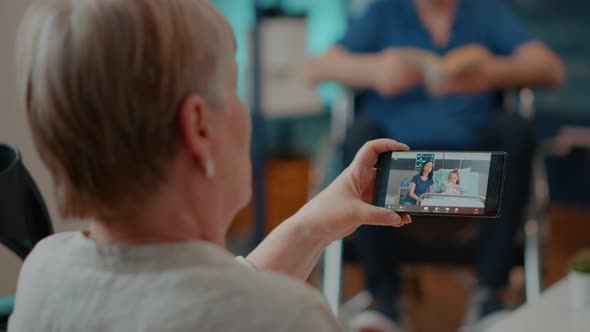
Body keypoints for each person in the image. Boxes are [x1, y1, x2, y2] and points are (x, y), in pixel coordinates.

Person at [8, 1, 413, 331]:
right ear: (199, 126)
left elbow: (209, 297)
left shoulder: (44, 271)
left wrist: (310, 227)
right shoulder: (292, 318)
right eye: (235, 90)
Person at [307, 0, 564, 330]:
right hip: (395, 166)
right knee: (360, 135)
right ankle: (386, 301)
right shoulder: (386, 12)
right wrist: (377, 72)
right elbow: (316, 68)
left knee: (515, 129)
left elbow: (551, 68)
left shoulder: (483, 11)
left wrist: (489, 74)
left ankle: (488, 298)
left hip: (475, 172)